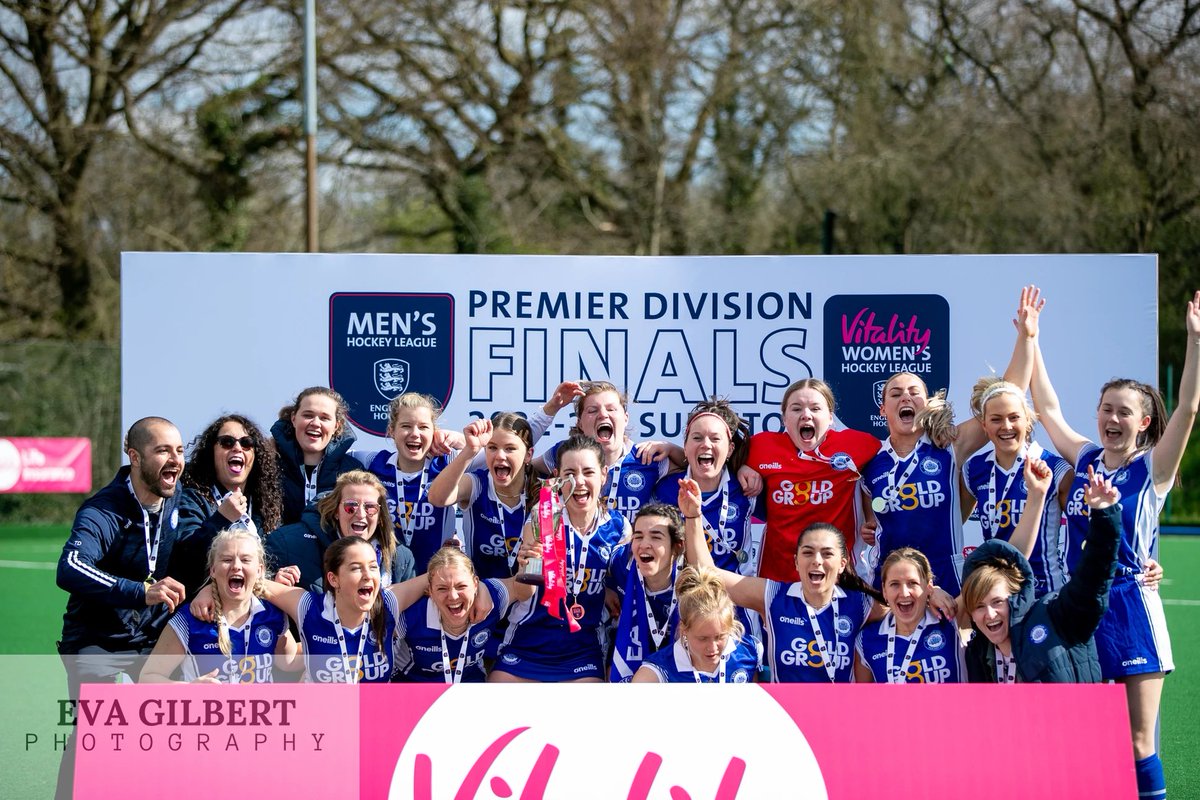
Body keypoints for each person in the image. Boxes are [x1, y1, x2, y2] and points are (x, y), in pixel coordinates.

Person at [1029, 289, 1200, 799]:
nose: (1112, 418)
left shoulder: (1152, 471)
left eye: (1124, 411)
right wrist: (1032, 341)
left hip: (1130, 608)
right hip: (1079, 609)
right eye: (1106, 409)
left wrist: (1194, 339)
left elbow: (1188, 408)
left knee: (1138, 740)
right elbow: (1048, 409)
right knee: (1082, 738)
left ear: (1143, 421)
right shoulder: (1084, 460)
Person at [860, 286, 1042, 595]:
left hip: (947, 579)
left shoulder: (948, 445)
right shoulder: (870, 462)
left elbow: (1005, 395)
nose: (906, 396)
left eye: (914, 392)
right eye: (896, 393)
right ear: (883, 409)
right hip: (890, 585)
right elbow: (870, 522)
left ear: (926, 403)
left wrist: (1026, 338)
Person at [55, 417, 187, 798]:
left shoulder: (176, 495)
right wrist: (138, 591)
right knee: (94, 729)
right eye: (163, 450)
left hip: (151, 635)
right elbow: (70, 568)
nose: (175, 459)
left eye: (179, 450)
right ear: (134, 456)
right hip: (96, 639)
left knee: (182, 719)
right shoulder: (103, 509)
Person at [679, 477, 921, 682]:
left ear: (842, 565)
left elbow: (908, 604)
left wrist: (932, 593)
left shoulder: (861, 604)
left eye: (827, 554)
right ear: (796, 562)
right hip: (787, 721)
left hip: (839, 720)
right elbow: (708, 574)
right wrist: (693, 516)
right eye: (807, 553)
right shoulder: (773, 595)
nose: (816, 560)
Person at [961, 464, 1121, 684]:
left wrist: (1104, 518)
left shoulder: (1056, 617)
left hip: (1074, 718)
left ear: (1015, 597)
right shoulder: (977, 653)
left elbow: (1093, 579)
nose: (989, 614)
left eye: (997, 601)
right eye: (979, 606)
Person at [490, 435, 631, 682]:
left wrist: (608, 589)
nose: (579, 482)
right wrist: (525, 568)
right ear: (557, 477)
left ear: (604, 475)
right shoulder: (544, 516)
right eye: (569, 473)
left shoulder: (619, 528)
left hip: (582, 650)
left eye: (588, 472)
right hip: (528, 642)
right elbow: (524, 594)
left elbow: (620, 583)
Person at [737, 378, 880, 582]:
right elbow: (714, 464)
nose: (806, 415)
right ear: (784, 419)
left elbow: (893, 460)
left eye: (815, 408)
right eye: (796, 409)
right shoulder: (760, 446)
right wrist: (742, 467)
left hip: (839, 577)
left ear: (830, 418)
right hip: (777, 578)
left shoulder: (858, 445)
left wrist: (870, 516)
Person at [140, 527, 300, 683]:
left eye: (245, 560)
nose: (236, 566)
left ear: (259, 570)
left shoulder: (273, 614)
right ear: (213, 570)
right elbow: (148, 677)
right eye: (227, 559)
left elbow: (289, 661)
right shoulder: (189, 619)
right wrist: (190, 691)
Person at [962, 378, 1071, 596]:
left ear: (1028, 421)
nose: (1007, 426)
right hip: (998, 593)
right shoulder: (973, 469)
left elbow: (1085, 530)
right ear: (984, 425)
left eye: (1014, 417)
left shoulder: (1056, 469)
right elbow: (951, 526)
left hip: (1046, 592)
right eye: (996, 419)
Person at [246, 536, 401, 683]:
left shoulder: (387, 602)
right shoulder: (308, 607)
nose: (368, 575)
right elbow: (249, 581)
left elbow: (426, 580)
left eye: (373, 566)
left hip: (378, 710)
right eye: (356, 568)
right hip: (320, 710)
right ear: (333, 579)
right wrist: (275, 580)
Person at [533, 381, 685, 523]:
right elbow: (518, 460)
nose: (603, 415)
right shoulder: (564, 453)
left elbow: (699, 466)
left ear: (625, 418)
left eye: (611, 409)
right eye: (592, 410)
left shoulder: (646, 456)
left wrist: (672, 448)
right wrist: (550, 409)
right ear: (579, 423)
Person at [170, 414, 283, 596]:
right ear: (211, 452)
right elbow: (186, 560)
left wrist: (276, 576)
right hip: (204, 609)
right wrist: (221, 519)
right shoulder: (192, 498)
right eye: (227, 442)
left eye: (246, 443)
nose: (238, 448)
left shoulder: (266, 505)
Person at [391, 542, 535, 683]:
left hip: (469, 687)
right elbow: (380, 609)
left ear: (476, 584)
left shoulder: (493, 598)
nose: (453, 596)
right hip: (414, 690)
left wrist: (531, 562)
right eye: (442, 588)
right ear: (430, 591)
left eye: (461, 586)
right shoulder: (412, 615)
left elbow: (521, 591)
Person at [356, 393, 465, 573]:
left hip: (436, 579)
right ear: (391, 430)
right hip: (388, 580)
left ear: (433, 432)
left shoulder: (448, 463)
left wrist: (458, 439)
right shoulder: (373, 462)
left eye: (423, 427)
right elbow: (330, 451)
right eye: (406, 426)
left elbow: (491, 455)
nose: (415, 434)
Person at [427, 413, 537, 580]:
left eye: (510, 448)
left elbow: (537, 572)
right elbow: (437, 498)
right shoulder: (477, 484)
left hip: (527, 597)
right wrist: (470, 451)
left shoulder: (544, 494)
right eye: (492, 447)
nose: (500, 455)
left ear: (528, 455)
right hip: (479, 598)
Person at [264, 470, 415, 592]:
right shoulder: (290, 543)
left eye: (370, 507)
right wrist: (274, 585)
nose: (360, 514)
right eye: (351, 506)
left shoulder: (401, 559)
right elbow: (255, 591)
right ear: (336, 511)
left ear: (380, 515)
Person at [654, 399, 755, 574]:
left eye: (715, 438)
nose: (706, 444)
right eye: (697, 438)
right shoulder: (663, 490)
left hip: (733, 597)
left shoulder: (747, 488)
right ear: (685, 448)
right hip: (679, 597)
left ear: (730, 449)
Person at [631, 565, 760, 683]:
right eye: (703, 638)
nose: (712, 647)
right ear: (684, 630)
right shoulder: (656, 672)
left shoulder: (750, 651)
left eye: (719, 637)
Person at [854, 547, 965, 684]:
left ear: (928, 586)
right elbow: (863, 701)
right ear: (884, 590)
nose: (904, 593)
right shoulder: (866, 640)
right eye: (895, 584)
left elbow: (989, 558)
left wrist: (935, 591)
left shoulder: (951, 617)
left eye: (913, 583)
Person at [609, 503, 686, 682]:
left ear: (677, 546)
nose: (644, 545)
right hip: (636, 658)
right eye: (638, 536)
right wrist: (605, 590)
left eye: (656, 537)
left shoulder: (691, 579)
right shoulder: (622, 563)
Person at [272, 386, 365, 525]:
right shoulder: (270, 466)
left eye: (324, 418)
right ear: (293, 419)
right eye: (308, 415)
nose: (315, 423)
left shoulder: (352, 471)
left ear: (336, 426)